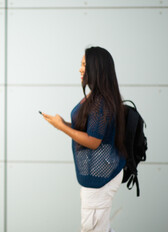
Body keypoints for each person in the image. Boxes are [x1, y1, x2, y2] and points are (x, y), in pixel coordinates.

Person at [41, 46, 126, 232]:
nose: (80, 69)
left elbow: (93, 141)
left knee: (93, 228)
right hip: (98, 175)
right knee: (99, 227)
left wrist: (61, 127)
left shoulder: (100, 101)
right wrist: (64, 123)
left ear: (97, 69)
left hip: (101, 177)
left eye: (84, 65)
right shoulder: (96, 97)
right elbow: (93, 132)